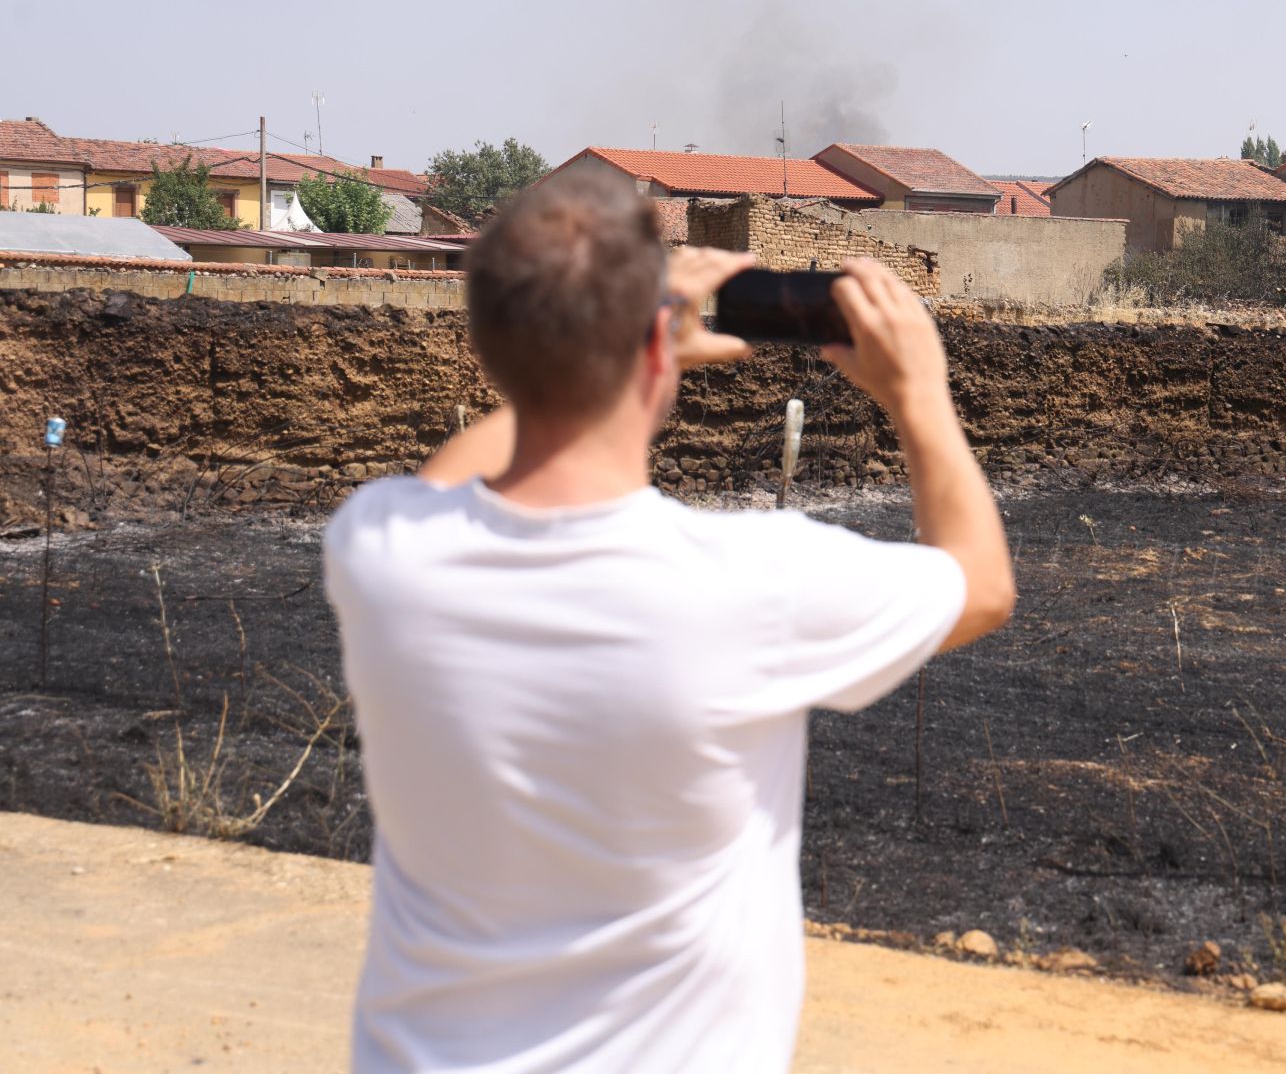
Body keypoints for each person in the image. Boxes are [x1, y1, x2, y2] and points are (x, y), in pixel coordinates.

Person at [324, 165, 1015, 1073]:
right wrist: (920, 392)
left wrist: (616, 356)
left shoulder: (379, 548)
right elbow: (981, 581)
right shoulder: (751, 586)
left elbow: (451, 478)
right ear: (654, 349)